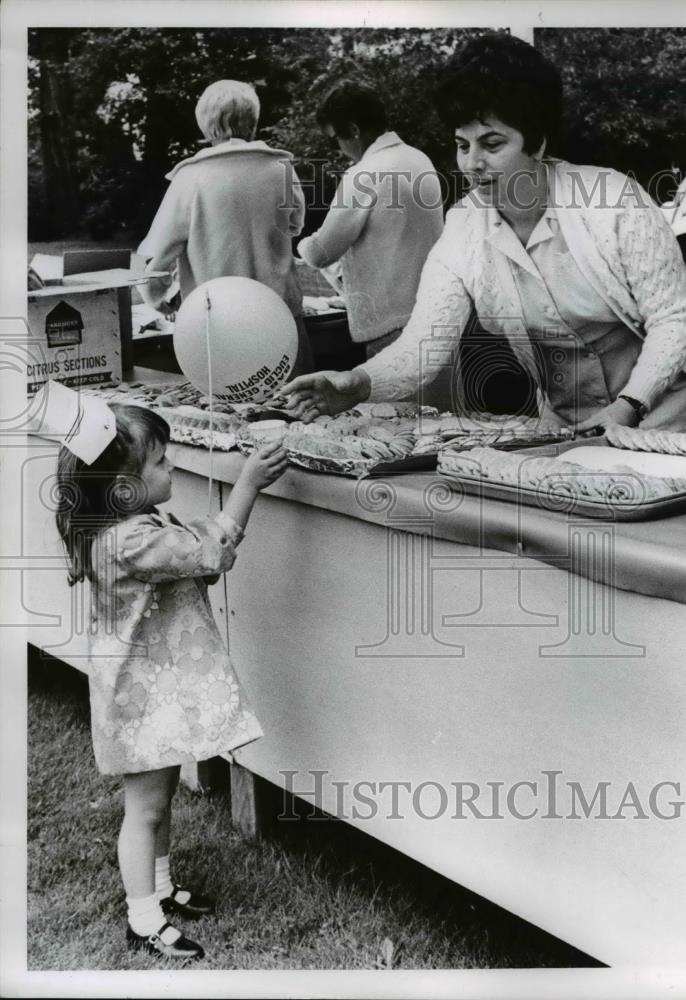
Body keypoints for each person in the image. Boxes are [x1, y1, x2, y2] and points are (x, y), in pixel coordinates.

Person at [281, 34, 686, 433]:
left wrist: (629, 406)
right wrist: (356, 384)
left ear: (536, 142)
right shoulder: (464, 227)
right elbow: (424, 344)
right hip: (569, 423)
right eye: (462, 144)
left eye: (492, 144)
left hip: (671, 414)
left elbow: (674, 319)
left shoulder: (613, 201)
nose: (473, 163)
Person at [54, 402, 287, 961]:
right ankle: (143, 917)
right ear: (122, 488)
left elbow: (198, 562)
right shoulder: (130, 542)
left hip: (147, 693)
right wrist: (249, 484)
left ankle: (158, 889)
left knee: (158, 805)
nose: (170, 472)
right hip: (141, 700)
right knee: (146, 812)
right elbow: (210, 551)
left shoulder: (132, 528)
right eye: (159, 464)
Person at [138, 79, 313, 374]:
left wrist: (159, 302)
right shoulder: (282, 169)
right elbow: (296, 225)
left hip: (221, 322)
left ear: (205, 123)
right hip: (281, 314)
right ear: (254, 119)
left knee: (231, 414)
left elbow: (158, 260)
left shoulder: (190, 178)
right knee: (298, 410)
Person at [296, 80, 444, 360]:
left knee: (392, 405)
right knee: (440, 405)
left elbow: (321, 252)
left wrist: (300, 245)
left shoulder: (365, 173)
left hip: (393, 323)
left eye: (334, 138)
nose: (337, 148)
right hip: (436, 313)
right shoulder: (419, 159)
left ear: (353, 130)